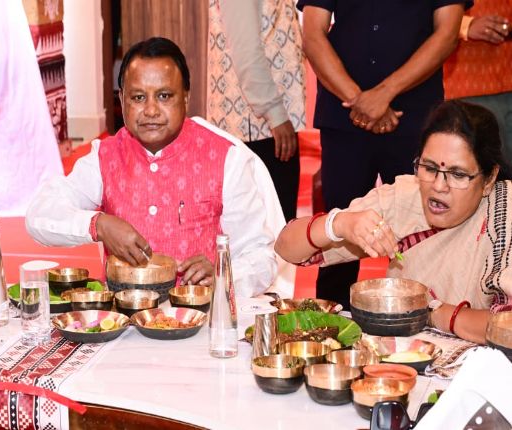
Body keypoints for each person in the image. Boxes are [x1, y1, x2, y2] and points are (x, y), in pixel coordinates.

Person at [26, 37, 282, 297]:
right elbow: (39, 215)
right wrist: (98, 225)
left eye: (164, 96)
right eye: (138, 97)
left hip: (200, 317)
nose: (150, 110)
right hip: (122, 317)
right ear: (122, 100)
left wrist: (222, 275)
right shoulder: (105, 157)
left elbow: (261, 258)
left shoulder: (226, 159)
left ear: (185, 98)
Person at [275, 100, 509, 344]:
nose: (439, 186)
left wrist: (431, 312)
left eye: (458, 174)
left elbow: (507, 327)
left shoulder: (504, 214)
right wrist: (337, 224)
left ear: (489, 178)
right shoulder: (405, 198)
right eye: (429, 168)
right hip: (406, 357)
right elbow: (286, 247)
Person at [297, 0, 467, 308]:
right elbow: (312, 34)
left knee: (423, 233)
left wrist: (383, 94)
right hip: (344, 117)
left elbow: (447, 34)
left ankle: (427, 321)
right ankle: (331, 327)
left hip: (415, 119)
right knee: (338, 232)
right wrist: (359, 100)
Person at [207, 0, 306, 222]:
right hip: (256, 128)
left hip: (269, 124)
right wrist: (275, 114)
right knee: (270, 227)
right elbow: (246, 52)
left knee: (278, 223)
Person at [444, 0, 512, 162]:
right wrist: (465, 25)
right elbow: (416, 13)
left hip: (507, 77)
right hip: (463, 86)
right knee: (479, 166)